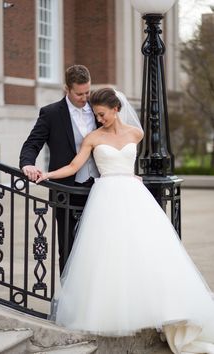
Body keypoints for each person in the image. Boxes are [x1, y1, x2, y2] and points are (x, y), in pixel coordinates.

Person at [36, 88, 214, 354]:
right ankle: (116, 309)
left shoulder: (136, 133)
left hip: (134, 196)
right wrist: (46, 174)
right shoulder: (93, 137)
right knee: (110, 256)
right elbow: (74, 166)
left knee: (146, 252)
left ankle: (158, 307)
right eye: (96, 115)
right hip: (105, 197)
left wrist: (132, 176)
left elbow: (130, 164)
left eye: (102, 114)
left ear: (116, 109)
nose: (99, 119)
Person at [19, 65, 99, 274]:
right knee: (67, 246)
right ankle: (69, 296)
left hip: (99, 188)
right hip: (66, 189)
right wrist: (27, 163)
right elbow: (32, 143)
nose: (84, 97)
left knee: (98, 245)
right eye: (79, 93)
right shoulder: (51, 113)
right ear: (67, 89)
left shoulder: (99, 108)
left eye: (87, 92)